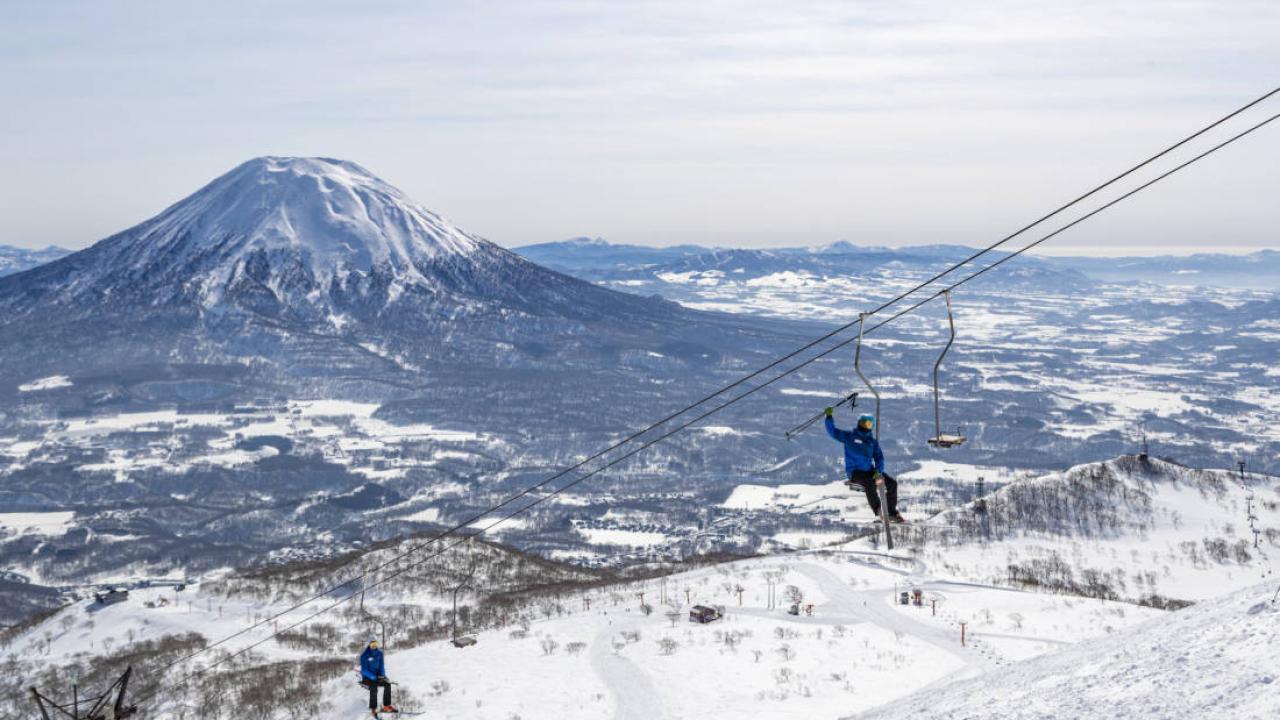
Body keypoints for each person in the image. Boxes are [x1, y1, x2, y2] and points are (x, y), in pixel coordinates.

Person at [824, 408, 904, 523]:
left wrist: (878, 471)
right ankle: (878, 510)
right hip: (855, 472)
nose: (866, 426)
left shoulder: (872, 442)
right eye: (863, 423)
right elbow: (833, 432)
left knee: (892, 483)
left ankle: (891, 512)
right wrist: (829, 417)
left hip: (870, 470)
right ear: (859, 423)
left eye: (868, 424)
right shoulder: (850, 437)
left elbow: (879, 457)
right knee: (869, 483)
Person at [360, 637, 397, 716]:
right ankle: (373, 708)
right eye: (372, 644)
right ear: (369, 645)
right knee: (373, 687)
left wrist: (382, 676)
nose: (374, 646)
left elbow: (381, 666)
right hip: (367, 677)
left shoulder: (379, 653)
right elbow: (364, 670)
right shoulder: (364, 656)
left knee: (387, 684)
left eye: (375, 644)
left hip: (377, 676)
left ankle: (386, 706)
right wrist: (373, 677)